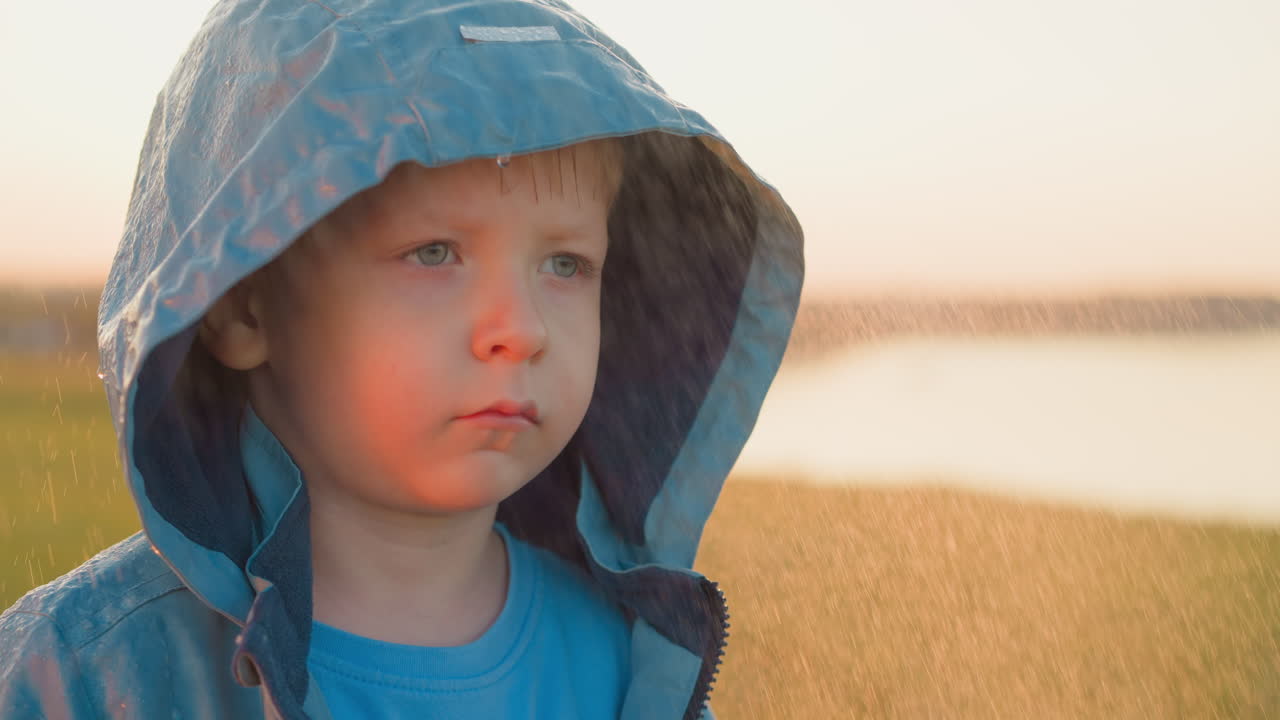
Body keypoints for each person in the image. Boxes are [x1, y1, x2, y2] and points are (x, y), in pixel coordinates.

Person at [0, 0, 803, 718]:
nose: (520, 330)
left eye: (565, 264)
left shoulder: (618, 659)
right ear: (244, 306)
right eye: (434, 253)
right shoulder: (86, 674)